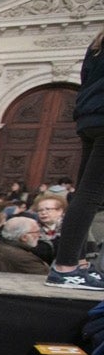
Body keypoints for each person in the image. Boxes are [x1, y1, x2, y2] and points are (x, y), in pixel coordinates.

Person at [47, 30, 104, 290]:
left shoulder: (97, 43)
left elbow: (86, 79)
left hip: (90, 119)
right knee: (90, 195)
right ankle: (66, 267)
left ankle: (78, 263)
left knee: (84, 193)